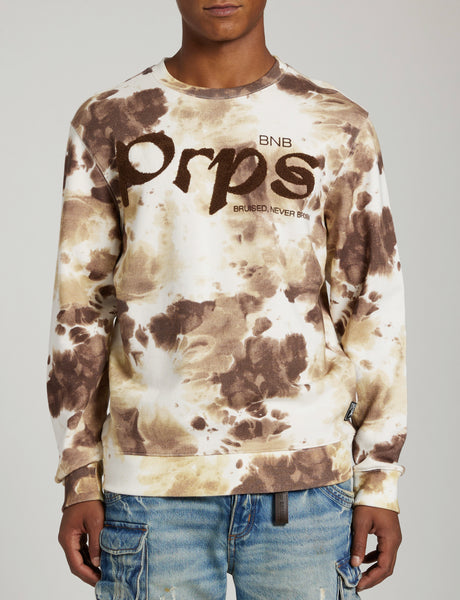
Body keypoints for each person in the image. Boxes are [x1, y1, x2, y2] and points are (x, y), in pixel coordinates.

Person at [46, 1, 407, 598]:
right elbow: (81, 308)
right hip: (152, 489)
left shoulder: (336, 124)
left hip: (305, 485)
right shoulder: (109, 120)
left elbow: (372, 305)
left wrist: (380, 480)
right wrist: (80, 476)